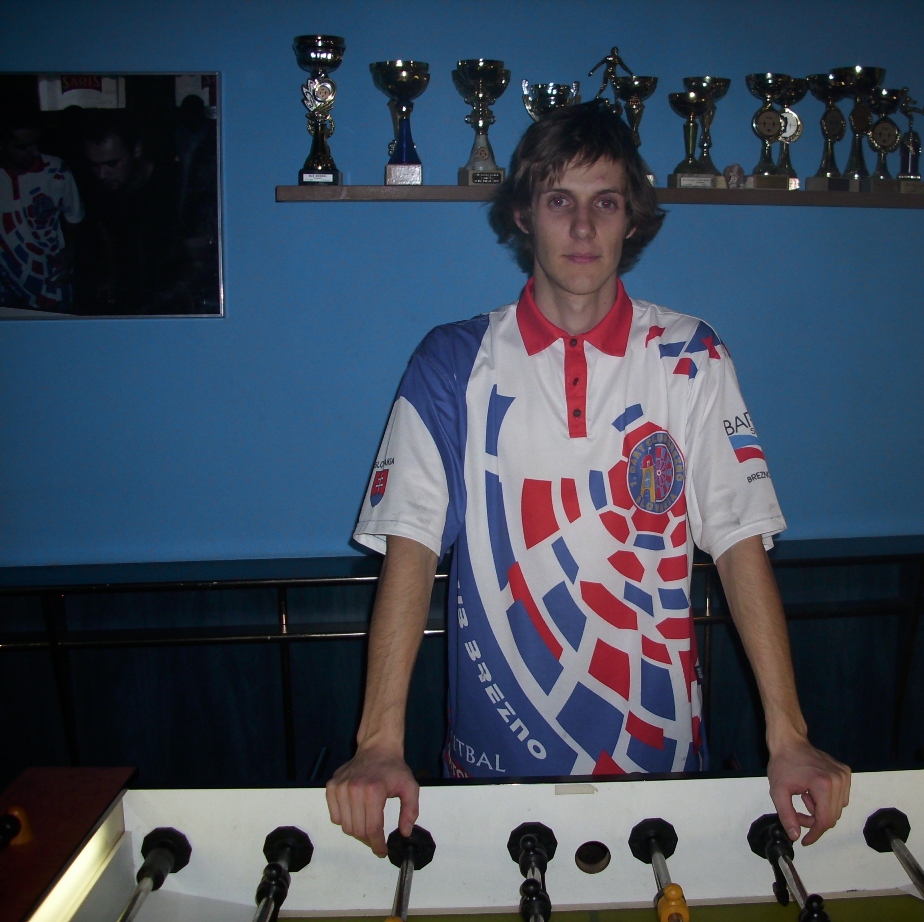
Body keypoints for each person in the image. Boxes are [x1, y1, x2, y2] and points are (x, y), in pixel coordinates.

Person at [326, 103, 850, 856]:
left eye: (604, 203)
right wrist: (378, 742)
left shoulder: (691, 355)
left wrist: (789, 737)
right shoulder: (451, 361)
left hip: (662, 760)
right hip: (494, 767)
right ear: (522, 214)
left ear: (631, 219)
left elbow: (740, 544)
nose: (581, 227)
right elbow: (409, 546)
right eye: (558, 201)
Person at [75, 114, 189, 314]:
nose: (102, 174)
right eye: (94, 165)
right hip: (126, 304)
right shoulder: (94, 190)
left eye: (112, 163)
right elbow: (105, 238)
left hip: (173, 306)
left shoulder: (174, 185)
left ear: (136, 150)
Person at [0, 107, 84, 312]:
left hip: (50, 283)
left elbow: (75, 218)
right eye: (23, 147)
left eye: (36, 143)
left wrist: (69, 253)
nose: (35, 152)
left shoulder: (56, 170)